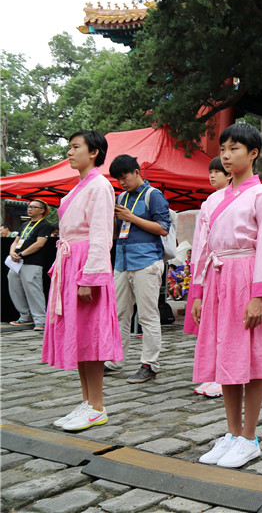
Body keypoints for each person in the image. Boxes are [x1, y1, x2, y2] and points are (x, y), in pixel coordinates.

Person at [191, 123, 262, 468]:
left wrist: (259, 297)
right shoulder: (212, 200)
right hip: (218, 281)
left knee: (252, 360)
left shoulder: (261, 196)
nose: (226, 155)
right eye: (223, 149)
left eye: (234, 148)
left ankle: (249, 437)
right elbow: (202, 249)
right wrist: (198, 292)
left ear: (253, 153)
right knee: (226, 358)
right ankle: (232, 433)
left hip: (247, 279)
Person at [42, 130, 122, 431]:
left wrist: (90, 277)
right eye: (69, 147)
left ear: (93, 152)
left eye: (75, 147)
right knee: (79, 335)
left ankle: (97, 405)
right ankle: (87, 401)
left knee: (91, 335)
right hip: (70, 261)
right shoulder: (80, 186)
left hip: (85, 263)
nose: (69, 152)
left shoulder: (100, 185)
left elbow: (101, 234)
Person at [104, 154, 171, 384]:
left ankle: (149, 364)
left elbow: (163, 228)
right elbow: (116, 233)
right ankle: (115, 360)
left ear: (136, 172)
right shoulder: (121, 197)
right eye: (118, 179)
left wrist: (131, 217)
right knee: (120, 314)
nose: (122, 182)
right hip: (122, 262)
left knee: (147, 315)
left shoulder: (154, 195)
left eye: (125, 177)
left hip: (146, 262)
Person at [185, 157, 230, 399]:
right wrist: (197, 268)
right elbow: (200, 240)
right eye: (210, 172)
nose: (212, 176)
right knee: (211, 322)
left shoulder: (238, 197)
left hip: (229, 265)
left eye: (217, 172)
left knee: (226, 324)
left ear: (229, 174)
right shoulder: (208, 202)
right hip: (209, 266)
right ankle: (212, 371)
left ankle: (225, 375)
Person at [8, 200, 53, 330]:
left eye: (34, 207)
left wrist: (22, 254)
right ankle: (24, 316)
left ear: (42, 210)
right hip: (16, 263)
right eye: (29, 206)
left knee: (33, 291)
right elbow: (16, 241)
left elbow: (39, 244)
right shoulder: (25, 224)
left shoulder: (45, 225)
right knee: (15, 289)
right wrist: (12, 252)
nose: (30, 209)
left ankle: (40, 320)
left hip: (32, 262)